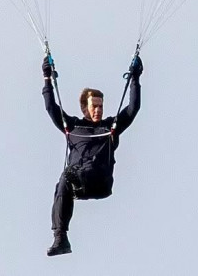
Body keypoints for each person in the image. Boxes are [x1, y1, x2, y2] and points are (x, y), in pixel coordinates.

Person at [42, 53, 143, 256]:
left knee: (70, 175)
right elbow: (51, 108)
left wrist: (135, 79)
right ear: (84, 108)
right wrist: (47, 79)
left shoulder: (110, 127)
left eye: (100, 106)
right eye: (94, 106)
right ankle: (60, 238)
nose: (98, 110)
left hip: (100, 181)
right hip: (79, 182)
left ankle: (62, 234)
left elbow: (133, 109)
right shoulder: (73, 127)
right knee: (63, 181)